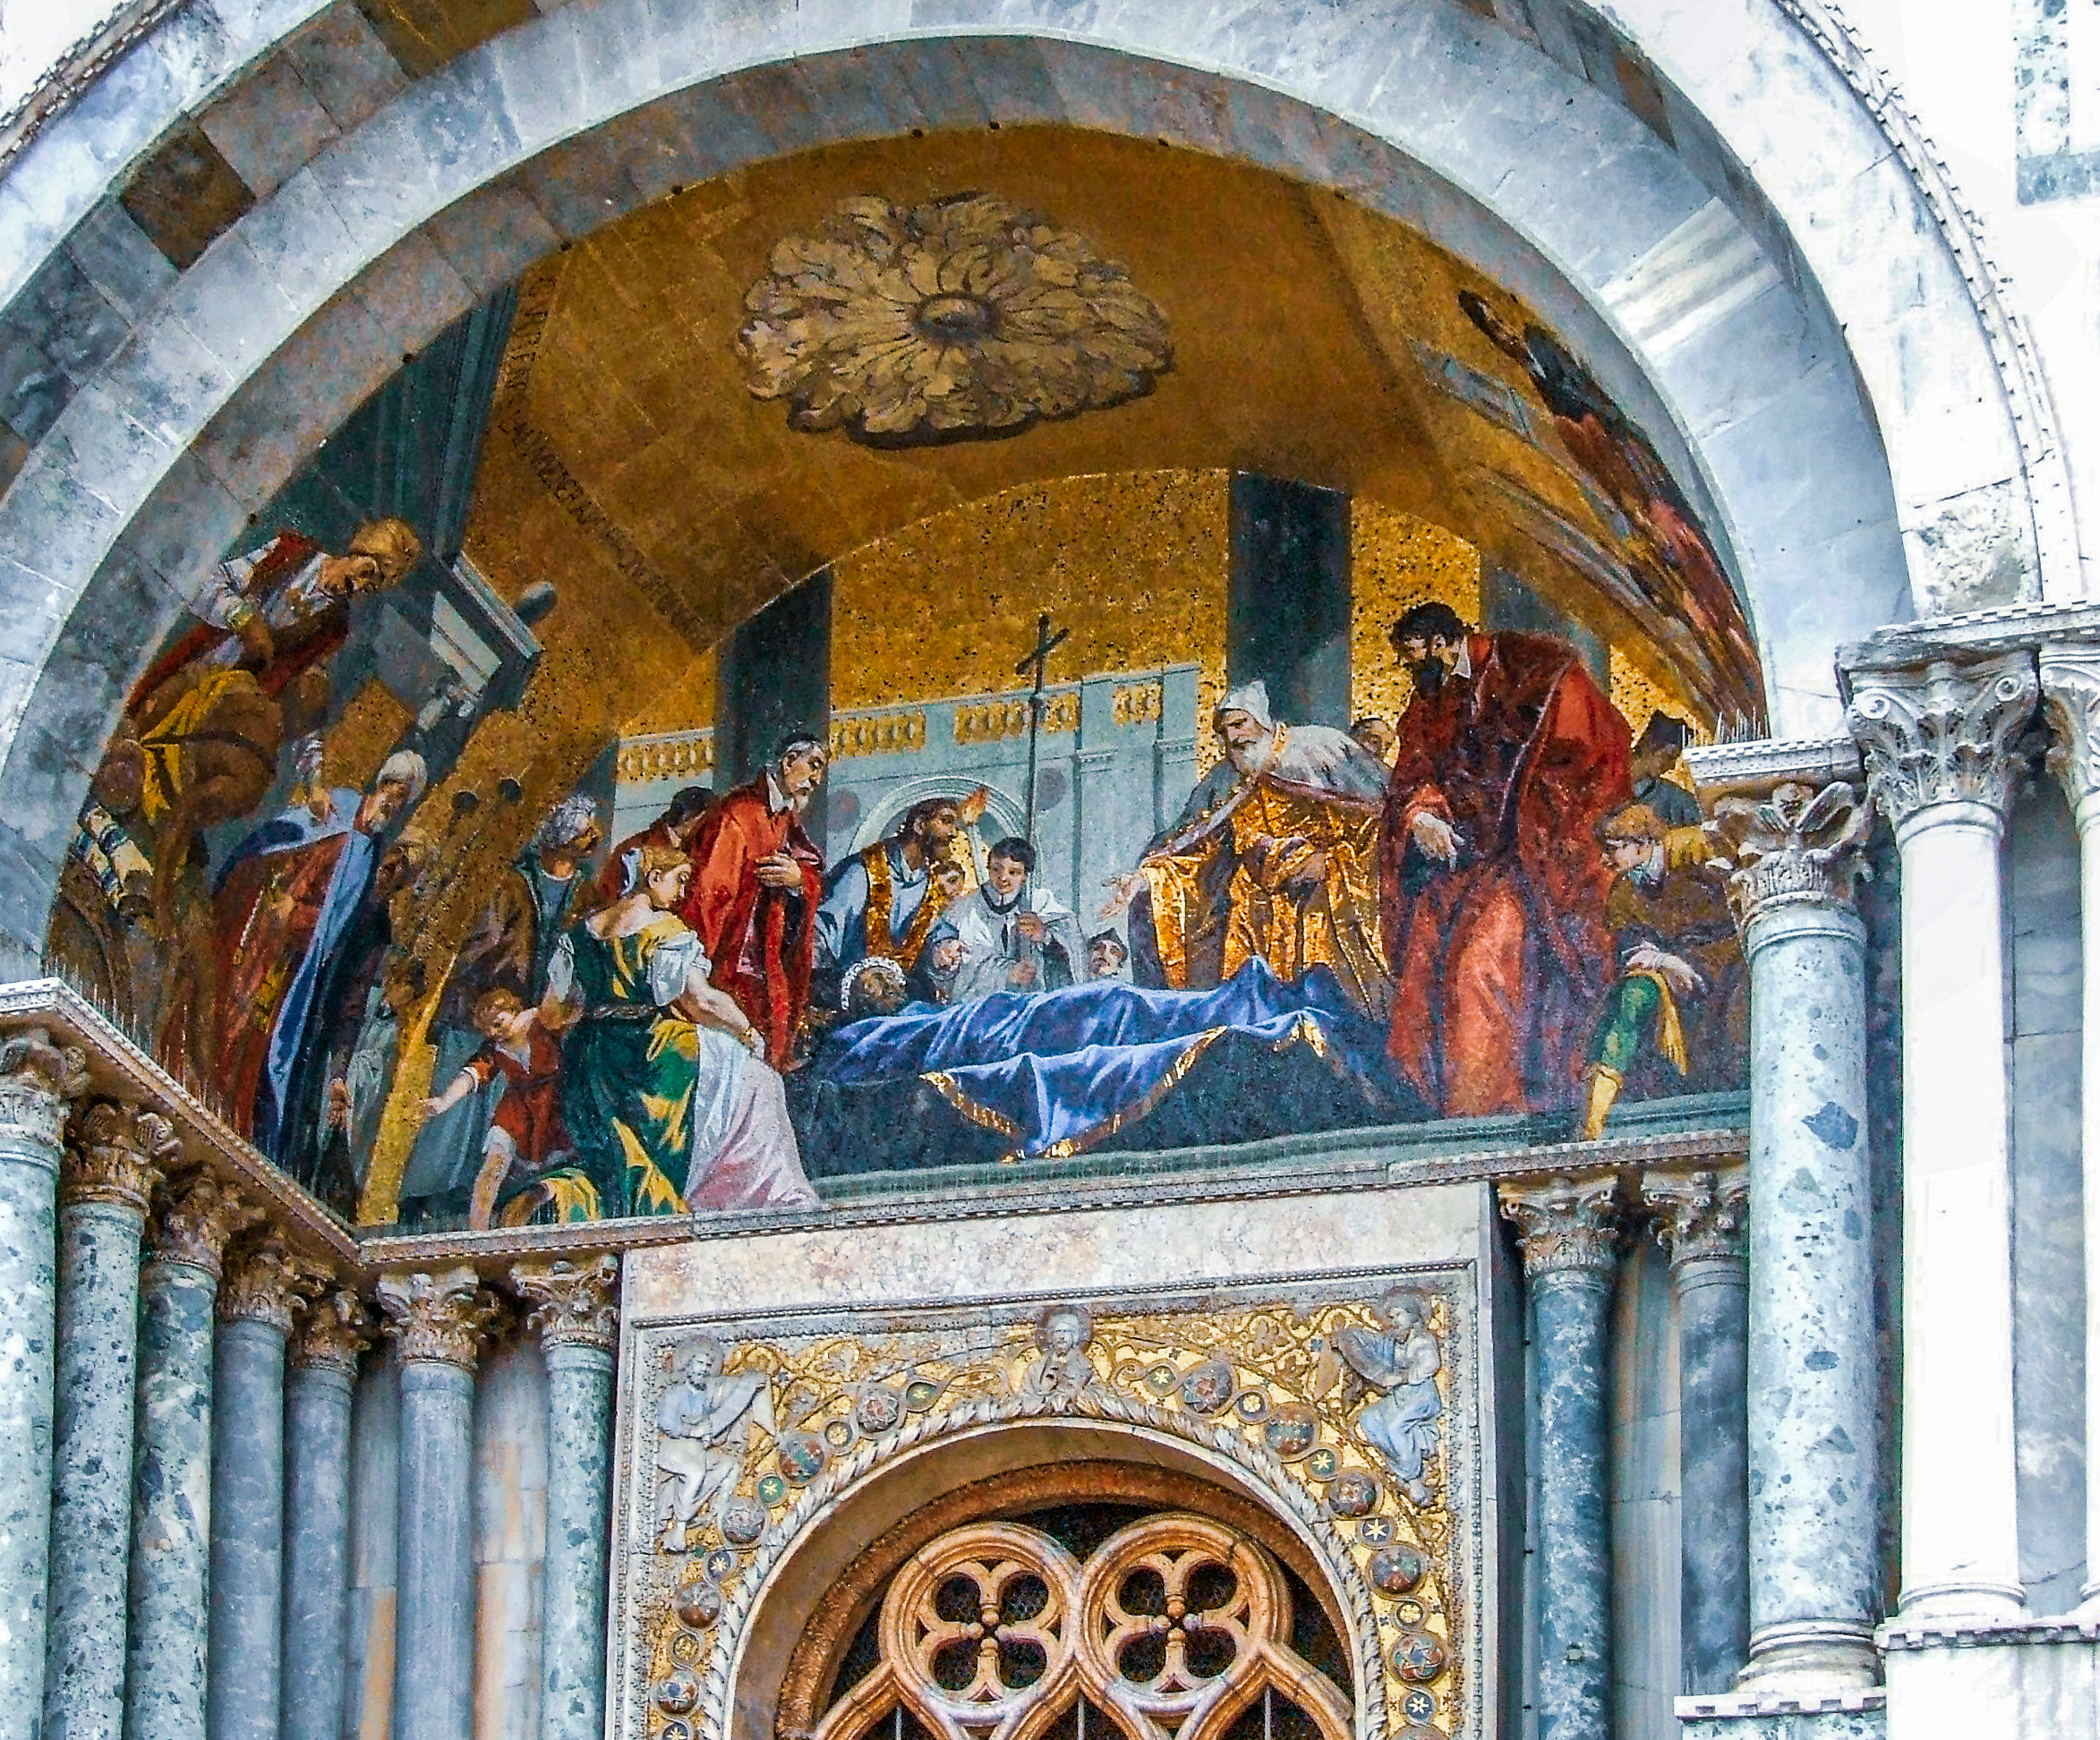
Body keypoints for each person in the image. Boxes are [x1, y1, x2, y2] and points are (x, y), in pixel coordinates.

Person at [1379, 601, 1631, 1118]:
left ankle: (1487, 1109)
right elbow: (1414, 773)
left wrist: (1530, 815)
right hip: (1471, 858)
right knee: (1426, 947)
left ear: (1446, 641)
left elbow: (1586, 755)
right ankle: (1441, 1109)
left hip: (1537, 853)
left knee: (1481, 959)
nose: (1416, 669)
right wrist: (1424, 816)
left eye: (1420, 654)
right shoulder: (1430, 701)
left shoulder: (1531, 667)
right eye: (1408, 662)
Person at [546, 839, 816, 1219]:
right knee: (758, 1079)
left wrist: (598, 1010)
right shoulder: (664, 929)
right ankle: (761, 1193)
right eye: (680, 879)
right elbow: (701, 1002)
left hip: (591, 1059)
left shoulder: (579, 936)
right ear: (653, 877)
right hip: (651, 1051)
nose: (683, 891)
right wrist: (746, 1031)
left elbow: (554, 1014)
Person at [1104, 681, 1393, 1013]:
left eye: (1239, 724)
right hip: (1253, 903)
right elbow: (1193, 845)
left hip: (1326, 886)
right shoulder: (1226, 778)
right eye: (1224, 732)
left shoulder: (1319, 748)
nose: (1234, 738)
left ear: (1262, 721)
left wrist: (1332, 863)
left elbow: (1380, 818)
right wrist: (1147, 877)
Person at [206, 750, 428, 1154]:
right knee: (229, 1025)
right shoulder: (332, 808)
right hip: (265, 949)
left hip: (301, 981)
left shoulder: (373, 901)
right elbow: (280, 846)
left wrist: (338, 1074)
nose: (389, 808)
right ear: (379, 785)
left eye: (399, 805)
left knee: (267, 1063)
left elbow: (351, 995)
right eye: (389, 795)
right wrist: (286, 899)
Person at [398, 793, 603, 1215]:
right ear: (561, 837)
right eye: (584, 831)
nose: (592, 838)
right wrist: (480, 1005)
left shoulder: (585, 892)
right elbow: (484, 944)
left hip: (544, 1014)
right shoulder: (513, 883)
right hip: (492, 1005)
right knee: (467, 1104)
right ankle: (433, 1194)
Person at [274, 823, 432, 1212]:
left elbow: (352, 1003)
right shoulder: (344, 875)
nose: (394, 871)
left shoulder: (379, 930)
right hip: (289, 987)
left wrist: (340, 1071)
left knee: (303, 1124)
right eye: (396, 859)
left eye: (406, 871)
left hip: (320, 1030)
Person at [128, 517, 423, 721]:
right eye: (366, 571)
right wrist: (241, 618)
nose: (358, 586)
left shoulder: (335, 629)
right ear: (358, 550)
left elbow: (279, 683)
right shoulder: (290, 550)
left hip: (219, 706)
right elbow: (208, 583)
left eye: (370, 587)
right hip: (189, 659)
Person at [1578, 801, 1747, 1140]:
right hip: (1673, 965)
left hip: (1728, 956)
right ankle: (1594, 1119)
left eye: (1614, 849)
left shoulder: (1691, 852)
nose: (1606, 860)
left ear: (1641, 843)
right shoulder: (1625, 889)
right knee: (1635, 994)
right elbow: (1632, 943)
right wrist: (1665, 962)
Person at [680, 736, 828, 1068]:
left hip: (765, 965)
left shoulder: (784, 818)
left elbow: (811, 871)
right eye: (814, 766)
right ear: (789, 762)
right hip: (730, 968)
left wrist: (799, 880)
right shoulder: (740, 813)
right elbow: (710, 897)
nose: (817, 780)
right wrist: (697, 974)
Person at [416, 986, 572, 1230]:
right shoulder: (495, 1049)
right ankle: (477, 1232)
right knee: (493, 1166)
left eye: (498, 1024)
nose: (494, 1033)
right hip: (516, 1110)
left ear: (513, 1010)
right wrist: (443, 1102)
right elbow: (472, 1075)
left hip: (555, 1103)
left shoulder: (541, 1022)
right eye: (488, 1030)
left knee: (560, 1166)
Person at [815, 797, 963, 992]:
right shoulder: (864, 871)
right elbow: (823, 932)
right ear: (919, 825)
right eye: (946, 821)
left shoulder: (928, 884)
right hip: (851, 994)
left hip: (896, 995)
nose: (953, 833)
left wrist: (942, 948)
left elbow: (933, 933)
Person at [653, 1334, 773, 1552]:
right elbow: (667, 1422)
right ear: (687, 1366)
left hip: (696, 1450)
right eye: (699, 1363)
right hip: (674, 1449)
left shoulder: (704, 1395)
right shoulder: (675, 1393)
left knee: (729, 1464)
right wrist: (693, 1431)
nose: (704, 1369)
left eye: (708, 1365)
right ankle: (679, 1528)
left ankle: (717, 1511)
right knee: (696, 1473)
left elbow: (721, 1411)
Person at [932, 836, 1083, 1002]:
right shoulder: (964, 910)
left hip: (1033, 1004)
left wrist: (1045, 936)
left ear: (1025, 875)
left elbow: (1075, 951)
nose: (1003, 878)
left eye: (1013, 872)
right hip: (981, 1009)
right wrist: (1007, 973)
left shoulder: (1042, 902)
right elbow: (957, 967)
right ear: (988, 868)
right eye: (996, 869)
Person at [1330, 1290, 1442, 1505]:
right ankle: (1408, 1453)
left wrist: (1400, 1377)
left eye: (1398, 1315)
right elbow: (1375, 1345)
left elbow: (1430, 1365)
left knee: (1395, 1427)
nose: (1394, 1321)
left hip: (1421, 1396)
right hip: (1402, 1396)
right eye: (1391, 1317)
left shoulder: (1422, 1340)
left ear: (1413, 1315)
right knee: (1368, 1418)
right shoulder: (1396, 1341)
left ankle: (1413, 1479)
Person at [594, 784, 714, 909]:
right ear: (686, 817)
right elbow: (607, 898)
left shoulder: (702, 851)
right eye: (703, 822)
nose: (709, 830)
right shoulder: (636, 847)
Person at [1627, 712, 1703, 828]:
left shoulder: (1671, 795)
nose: (1672, 767)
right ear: (1650, 745)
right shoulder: (1609, 777)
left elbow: (1702, 814)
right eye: (1670, 757)